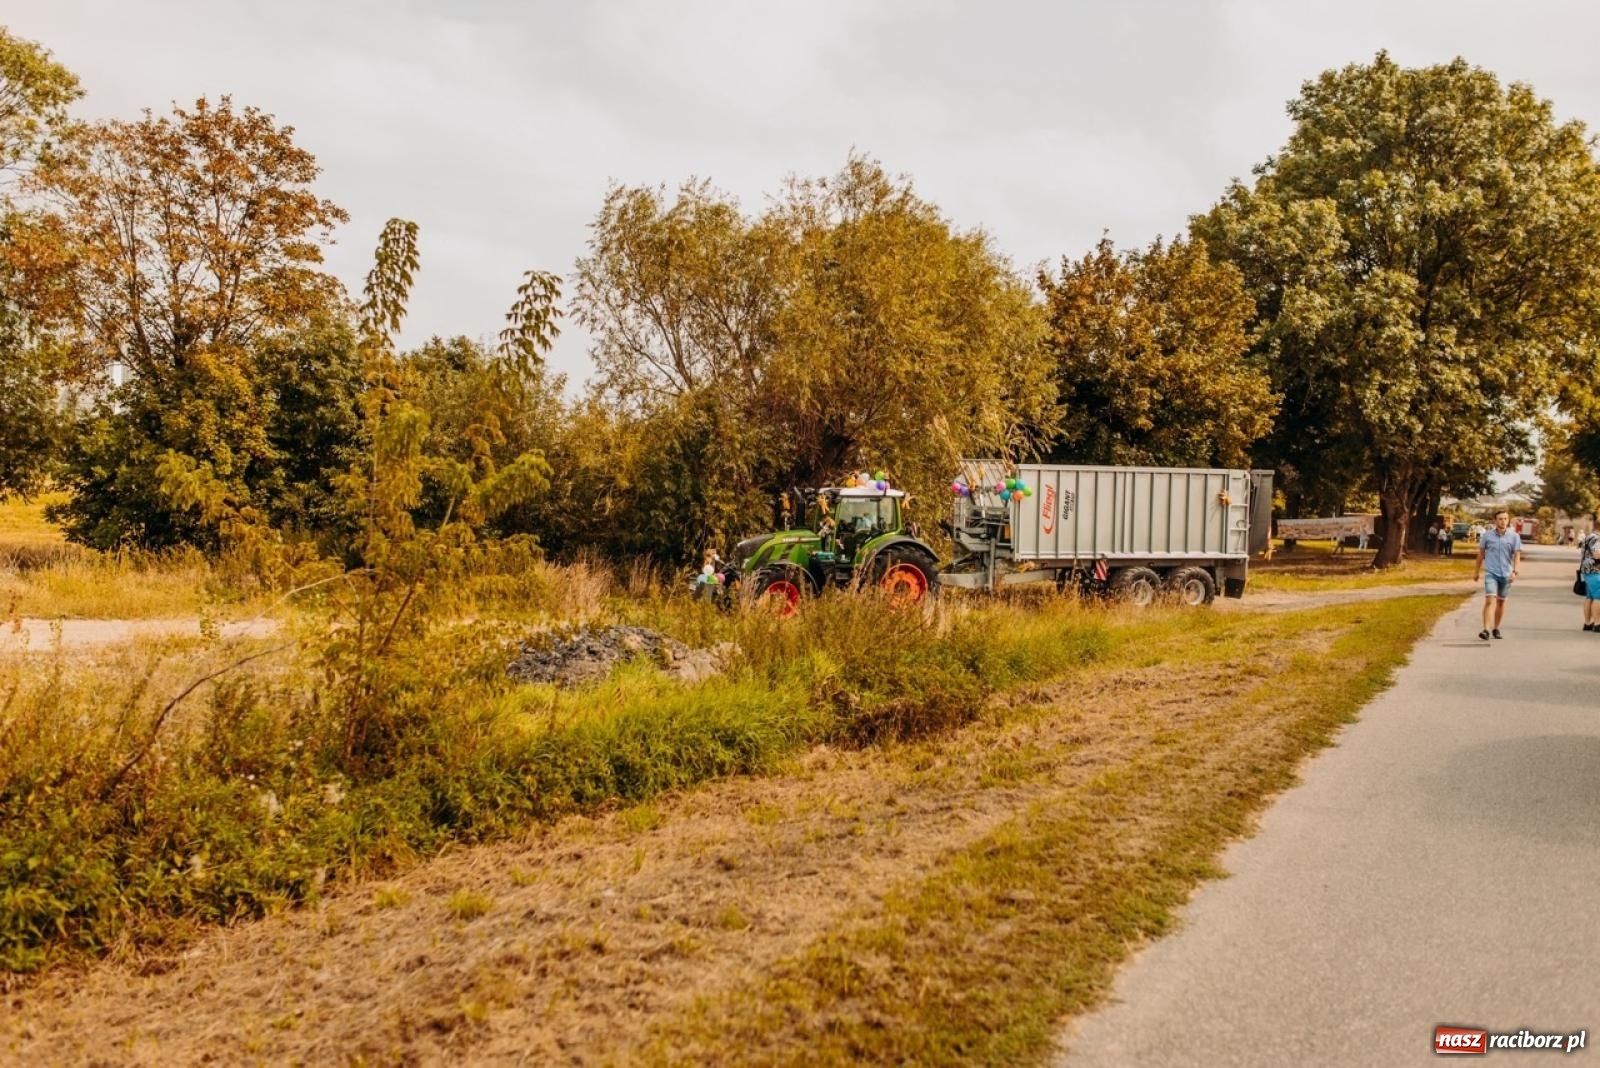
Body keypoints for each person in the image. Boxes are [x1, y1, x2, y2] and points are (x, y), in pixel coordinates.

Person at [1474, 510, 1523, 641]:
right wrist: (1476, 571)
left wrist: (1515, 571)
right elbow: (1481, 554)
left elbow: (1517, 555)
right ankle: (1486, 630)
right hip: (1491, 572)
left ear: (1508, 520)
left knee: (1501, 602)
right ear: (1495, 521)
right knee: (1490, 600)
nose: (1503, 521)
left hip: (1506, 574)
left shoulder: (1514, 537)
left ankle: (1496, 628)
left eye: (1505, 519)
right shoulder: (1487, 536)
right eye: (1500, 519)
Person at [1583, 515, 1600, 631]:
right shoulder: (1597, 538)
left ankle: (1587, 623)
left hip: (1586, 570)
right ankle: (1597, 624)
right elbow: (1597, 554)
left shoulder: (1588, 537)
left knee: (1589, 597)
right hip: (1595, 570)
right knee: (1598, 597)